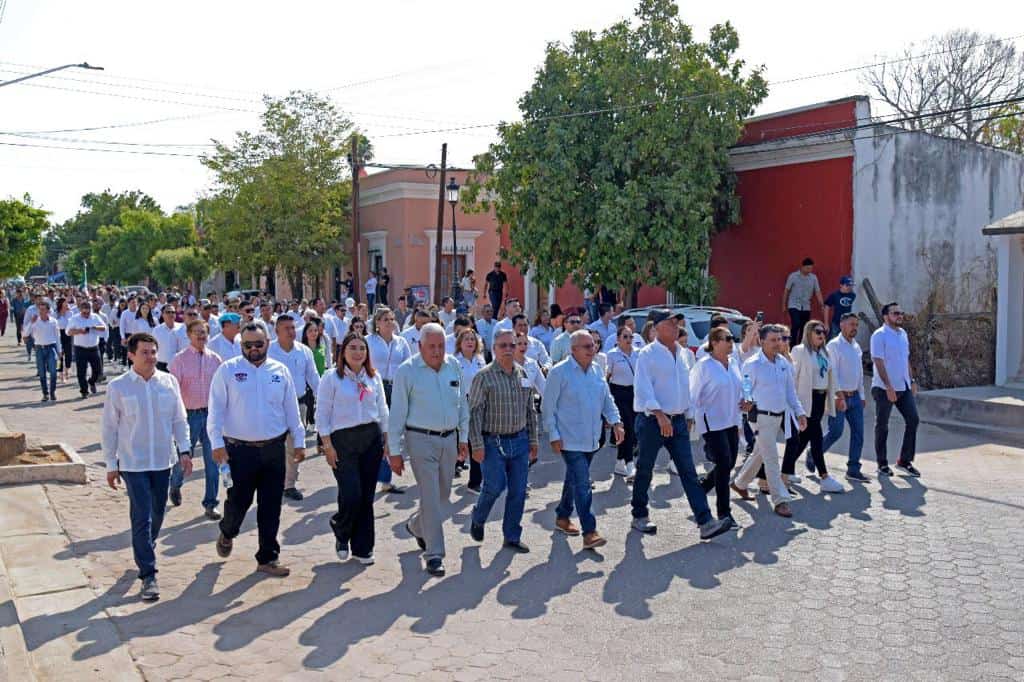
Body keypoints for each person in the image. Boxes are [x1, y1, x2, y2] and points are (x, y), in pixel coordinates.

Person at [208, 323, 305, 578]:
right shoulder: (228, 370)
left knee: (271, 505)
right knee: (238, 502)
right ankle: (227, 532)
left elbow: (292, 409)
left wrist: (300, 441)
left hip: (274, 449)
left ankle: (268, 557)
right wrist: (216, 443)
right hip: (239, 451)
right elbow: (216, 410)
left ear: (267, 343)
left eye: (258, 344)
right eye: (247, 345)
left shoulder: (280, 371)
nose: (253, 349)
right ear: (241, 346)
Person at [102, 332, 192, 602]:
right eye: (145, 352)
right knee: (141, 515)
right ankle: (148, 574)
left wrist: (185, 450)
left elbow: (179, 419)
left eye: (153, 352)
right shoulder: (118, 387)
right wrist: (111, 464)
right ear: (131, 355)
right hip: (133, 463)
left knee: (157, 512)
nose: (151, 357)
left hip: (163, 461)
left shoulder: (168, 382)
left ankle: (145, 547)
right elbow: (109, 428)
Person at [631, 309, 732, 538]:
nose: (676, 327)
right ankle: (639, 514)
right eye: (670, 323)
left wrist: (688, 415)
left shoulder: (685, 354)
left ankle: (705, 521)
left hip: (677, 422)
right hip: (652, 421)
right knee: (645, 469)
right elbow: (643, 389)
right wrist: (659, 415)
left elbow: (687, 388)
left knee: (688, 472)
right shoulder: (647, 354)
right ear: (656, 328)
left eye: (677, 323)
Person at [387, 323, 470, 577]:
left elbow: (461, 404)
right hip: (420, 439)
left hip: (449, 439)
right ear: (420, 346)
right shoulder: (407, 371)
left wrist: (463, 437)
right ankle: (434, 554)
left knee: (443, 496)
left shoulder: (453, 365)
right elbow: (397, 413)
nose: (437, 351)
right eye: (431, 346)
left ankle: (416, 525)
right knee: (431, 497)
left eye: (441, 346)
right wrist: (394, 451)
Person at [543, 330, 624, 550]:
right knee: (583, 483)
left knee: (574, 478)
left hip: (591, 438)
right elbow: (548, 407)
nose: (593, 349)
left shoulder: (597, 370)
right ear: (573, 350)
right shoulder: (559, 372)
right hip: (569, 439)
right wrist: (553, 434)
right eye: (587, 346)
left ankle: (562, 516)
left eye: (594, 345)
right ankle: (590, 531)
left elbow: (607, 400)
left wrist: (616, 422)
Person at [316, 332, 390, 566]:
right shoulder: (331, 378)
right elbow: (322, 413)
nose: (358, 352)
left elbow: (382, 408)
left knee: (366, 496)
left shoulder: (373, 377)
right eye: (353, 348)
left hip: (370, 439)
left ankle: (363, 548)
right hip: (342, 441)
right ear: (343, 352)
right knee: (351, 493)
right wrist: (327, 445)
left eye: (362, 348)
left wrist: (387, 439)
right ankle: (341, 528)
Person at [462, 328, 538, 553]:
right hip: (492, 442)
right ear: (494, 349)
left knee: (518, 490)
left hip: (520, 440)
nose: (508, 349)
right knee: (494, 486)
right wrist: (476, 445)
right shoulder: (483, 376)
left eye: (512, 345)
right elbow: (474, 412)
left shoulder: (523, 374)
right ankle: (478, 517)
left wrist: (533, 440)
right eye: (503, 345)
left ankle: (512, 536)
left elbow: (530, 409)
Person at [732, 324, 807, 518]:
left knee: (760, 453)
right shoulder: (753, 364)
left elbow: (790, 392)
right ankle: (780, 500)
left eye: (780, 339)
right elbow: (746, 387)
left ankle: (740, 483)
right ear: (762, 340)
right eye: (773, 340)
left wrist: (800, 413)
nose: (778, 343)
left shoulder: (783, 363)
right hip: (760, 417)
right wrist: (747, 400)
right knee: (772, 457)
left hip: (778, 416)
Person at [780, 320, 845, 494]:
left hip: (820, 399)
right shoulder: (800, 351)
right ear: (808, 333)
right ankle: (824, 476)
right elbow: (793, 378)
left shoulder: (824, 352)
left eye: (824, 332)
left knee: (804, 438)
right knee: (816, 437)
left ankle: (786, 470)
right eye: (818, 331)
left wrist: (839, 395)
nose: (822, 335)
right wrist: (792, 404)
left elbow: (832, 375)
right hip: (805, 399)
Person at [691, 327, 748, 527]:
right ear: (714, 342)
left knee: (729, 464)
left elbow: (743, 384)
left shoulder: (734, 362)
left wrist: (747, 399)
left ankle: (700, 490)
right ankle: (724, 513)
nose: (732, 342)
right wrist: (690, 418)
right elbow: (693, 394)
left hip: (731, 420)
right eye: (727, 339)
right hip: (711, 422)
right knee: (724, 463)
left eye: (733, 338)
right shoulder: (703, 366)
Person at [168, 319, 224, 517]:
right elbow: (171, 391)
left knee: (213, 462)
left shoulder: (215, 360)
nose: (201, 336)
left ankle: (211, 503)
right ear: (189, 335)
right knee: (184, 458)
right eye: (197, 332)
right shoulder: (179, 360)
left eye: (204, 332)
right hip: (188, 416)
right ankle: (175, 484)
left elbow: (222, 389)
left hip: (211, 415)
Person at [268, 315, 321, 502]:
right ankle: (272, 481)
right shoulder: (269, 351)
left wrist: (323, 399)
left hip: (299, 404)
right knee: (273, 446)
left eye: (292, 328)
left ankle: (289, 485)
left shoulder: (304, 351)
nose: (291, 332)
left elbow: (313, 377)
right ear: (277, 331)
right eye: (286, 328)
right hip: (273, 406)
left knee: (294, 446)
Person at [871, 302, 920, 477]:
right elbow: (878, 361)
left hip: (903, 386)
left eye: (901, 313)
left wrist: (911, 380)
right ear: (886, 316)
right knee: (882, 425)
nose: (900, 316)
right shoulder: (879, 335)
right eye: (895, 313)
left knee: (913, 419)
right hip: (884, 388)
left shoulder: (903, 334)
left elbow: (905, 359)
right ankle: (882, 464)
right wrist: (888, 386)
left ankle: (904, 461)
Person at [367, 307, 412, 495]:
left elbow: (409, 367)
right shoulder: (368, 341)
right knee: (375, 432)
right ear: (377, 323)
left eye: (391, 319)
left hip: (395, 388)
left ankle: (386, 480)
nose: (389, 322)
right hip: (374, 388)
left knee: (392, 432)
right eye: (385, 319)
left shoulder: (401, 342)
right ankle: (370, 474)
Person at [823, 313, 869, 482]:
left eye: (856, 325)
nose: (854, 328)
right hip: (839, 397)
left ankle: (853, 469)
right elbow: (832, 372)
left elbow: (859, 373)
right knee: (835, 432)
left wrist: (862, 395)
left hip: (855, 397)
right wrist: (838, 396)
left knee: (858, 433)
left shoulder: (856, 346)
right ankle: (814, 453)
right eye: (851, 324)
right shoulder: (834, 345)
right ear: (842, 325)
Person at [454, 328, 487, 493]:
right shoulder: (454, 361)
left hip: (478, 405)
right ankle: (456, 463)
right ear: (460, 343)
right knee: (459, 440)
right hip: (460, 404)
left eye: (472, 339)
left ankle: (475, 482)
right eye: (466, 339)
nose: (470, 342)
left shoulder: (480, 360)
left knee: (476, 441)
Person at [607, 324, 639, 480]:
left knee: (633, 427)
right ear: (618, 339)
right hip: (618, 392)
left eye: (631, 336)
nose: (628, 339)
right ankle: (630, 463)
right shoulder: (612, 354)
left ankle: (620, 462)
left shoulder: (638, 353)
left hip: (634, 393)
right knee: (627, 426)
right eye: (625, 337)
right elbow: (607, 376)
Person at [66, 300, 106, 398]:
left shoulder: (95, 317)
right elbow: (68, 332)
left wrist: (94, 327)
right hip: (80, 348)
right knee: (81, 371)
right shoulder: (75, 318)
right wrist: (79, 331)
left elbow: (104, 328)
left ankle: (91, 381)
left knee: (97, 370)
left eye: (88, 312)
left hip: (93, 348)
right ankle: (84, 391)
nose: (86, 315)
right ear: (80, 310)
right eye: (84, 313)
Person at [783, 257, 824, 346]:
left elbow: (817, 291)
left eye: (811, 268)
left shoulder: (813, 278)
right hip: (793, 304)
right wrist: (784, 305)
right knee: (796, 324)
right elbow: (786, 290)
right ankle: (792, 345)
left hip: (806, 306)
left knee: (804, 327)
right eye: (808, 268)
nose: (809, 270)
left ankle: (801, 345)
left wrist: (821, 304)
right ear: (802, 267)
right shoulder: (793, 276)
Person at [25, 300, 59, 402]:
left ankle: (52, 392)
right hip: (39, 348)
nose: (41, 311)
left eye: (43, 309)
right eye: (40, 309)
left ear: (48, 311)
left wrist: (59, 350)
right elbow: (26, 334)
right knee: (42, 372)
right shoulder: (35, 321)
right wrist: (31, 322)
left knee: (53, 371)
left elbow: (57, 337)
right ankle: (45, 393)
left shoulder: (53, 321)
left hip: (51, 347)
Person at [154, 304, 187, 372]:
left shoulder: (182, 327)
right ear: (162, 314)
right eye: (168, 312)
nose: (171, 314)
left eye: (173, 312)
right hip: (161, 365)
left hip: (179, 364)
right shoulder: (157, 330)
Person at [54, 298, 74, 383]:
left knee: (69, 354)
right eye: (65, 303)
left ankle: (67, 370)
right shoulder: (55, 313)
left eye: (67, 303)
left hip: (68, 334)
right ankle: (60, 373)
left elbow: (72, 323)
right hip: (59, 334)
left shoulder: (70, 313)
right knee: (60, 355)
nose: (66, 304)